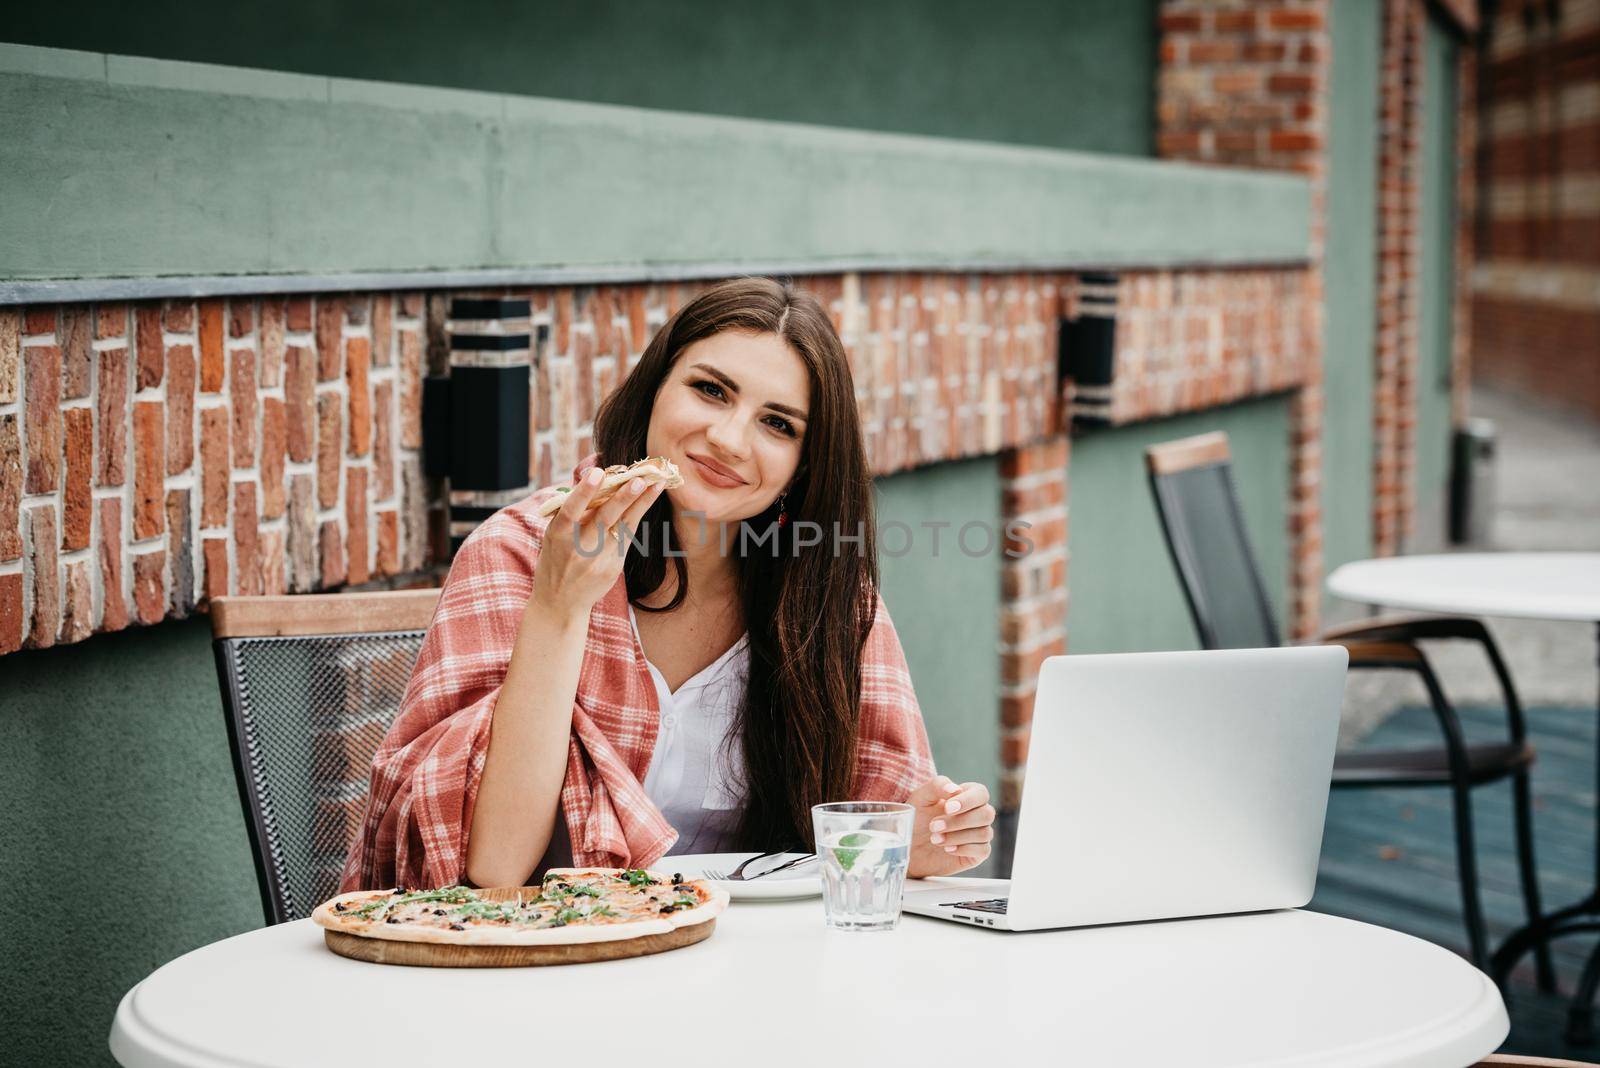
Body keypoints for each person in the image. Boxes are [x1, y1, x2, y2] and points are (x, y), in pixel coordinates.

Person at [341, 277, 996, 891]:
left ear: (803, 465)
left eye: (778, 424)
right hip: (553, 960)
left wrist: (921, 841)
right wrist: (560, 607)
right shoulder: (520, 552)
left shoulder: (827, 595)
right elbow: (494, 867)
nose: (729, 437)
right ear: (654, 389)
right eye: (710, 390)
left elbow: (870, 830)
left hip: (754, 968)